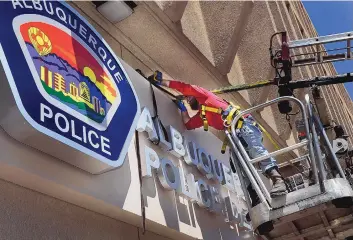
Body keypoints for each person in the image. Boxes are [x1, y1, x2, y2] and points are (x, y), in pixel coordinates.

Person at [148, 71, 287, 208]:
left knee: (256, 151)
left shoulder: (204, 95)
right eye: (186, 100)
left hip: (243, 125)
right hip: (234, 135)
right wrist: (183, 109)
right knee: (240, 167)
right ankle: (255, 200)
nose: (188, 99)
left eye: (189, 98)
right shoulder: (202, 116)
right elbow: (188, 124)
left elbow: (184, 87)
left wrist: (162, 81)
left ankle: (277, 180)